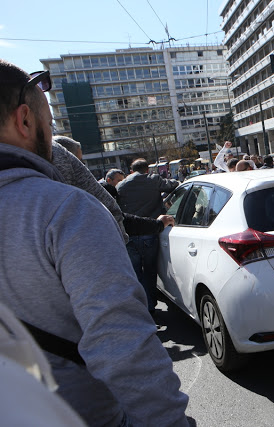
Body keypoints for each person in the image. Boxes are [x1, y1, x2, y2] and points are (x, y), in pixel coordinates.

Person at [0, 59, 188, 426]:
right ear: (25, 120)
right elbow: (120, 344)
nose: (52, 142)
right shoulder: (64, 209)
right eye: (49, 128)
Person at [117, 158, 179, 313]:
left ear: (131, 170)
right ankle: (150, 304)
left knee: (135, 272)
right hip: (150, 230)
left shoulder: (122, 185)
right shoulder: (153, 179)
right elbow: (172, 185)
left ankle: (139, 306)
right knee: (150, 270)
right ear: (147, 169)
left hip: (129, 233)